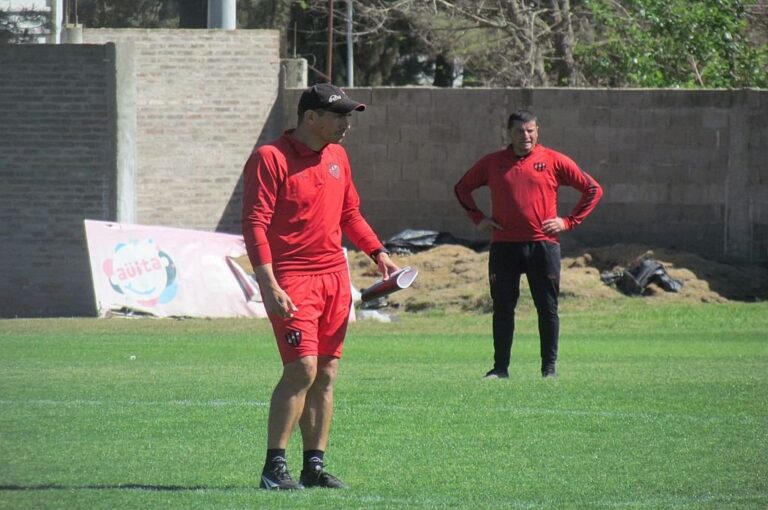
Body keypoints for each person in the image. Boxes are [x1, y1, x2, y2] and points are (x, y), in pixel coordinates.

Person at [241, 83, 399, 490]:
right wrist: (268, 282)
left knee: (326, 373)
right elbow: (255, 223)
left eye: (349, 115)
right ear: (311, 117)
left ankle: (314, 466)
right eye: (340, 115)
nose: (347, 123)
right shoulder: (270, 158)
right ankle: (273, 469)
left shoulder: (338, 158)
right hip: (292, 279)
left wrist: (377, 252)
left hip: (334, 277)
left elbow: (350, 213)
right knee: (301, 369)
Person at [454, 109, 603, 379]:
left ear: (538, 132)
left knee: (547, 309)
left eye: (531, 130)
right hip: (504, 246)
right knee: (503, 309)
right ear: (509, 133)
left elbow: (593, 189)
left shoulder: (553, 160)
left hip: (543, 246)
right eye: (521, 131)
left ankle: (549, 369)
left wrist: (568, 222)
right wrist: (478, 219)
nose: (526, 136)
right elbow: (462, 188)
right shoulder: (493, 163)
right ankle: (500, 369)